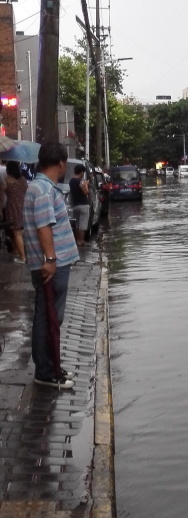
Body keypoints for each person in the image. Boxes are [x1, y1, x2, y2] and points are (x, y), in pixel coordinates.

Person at [23, 141, 78, 391]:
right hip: (51, 267)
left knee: (49, 316)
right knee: (49, 318)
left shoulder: (39, 187)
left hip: (48, 265)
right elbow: (44, 226)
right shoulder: (43, 190)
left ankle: (51, 366)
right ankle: (46, 371)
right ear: (60, 163)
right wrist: (51, 260)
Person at [5, 161, 28, 263]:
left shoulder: (7, 180)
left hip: (13, 208)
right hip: (23, 206)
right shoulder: (23, 179)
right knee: (21, 232)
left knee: (17, 232)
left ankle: (22, 257)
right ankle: (18, 251)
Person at [68, 163, 90, 246]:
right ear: (81, 172)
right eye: (83, 172)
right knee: (83, 225)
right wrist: (86, 185)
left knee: (77, 224)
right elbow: (85, 192)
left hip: (75, 205)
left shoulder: (71, 181)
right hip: (83, 205)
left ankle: (77, 240)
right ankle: (81, 241)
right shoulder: (81, 181)